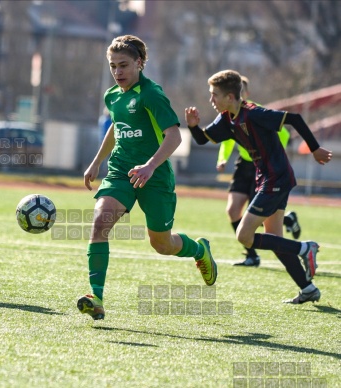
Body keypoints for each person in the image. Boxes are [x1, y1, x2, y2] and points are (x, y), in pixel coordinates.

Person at [78, 35, 217, 321]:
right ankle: (97, 297)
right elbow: (117, 128)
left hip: (155, 177)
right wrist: (96, 162)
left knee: (162, 245)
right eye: (113, 66)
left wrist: (150, 166)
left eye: (124, 65)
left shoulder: (151, 94)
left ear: (139, 64)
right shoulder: (112, 96)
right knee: (99, 224)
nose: (118, 72)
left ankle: (199, 249)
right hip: (120, 172)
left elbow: (174, 136)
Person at [185, 69, 332, 304]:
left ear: (230, 97)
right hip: (268, 178)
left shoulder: (253, 113)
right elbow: (203, 139)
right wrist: (193, 126)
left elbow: (294, 119)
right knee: (274, 238)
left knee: (245, 235)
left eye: (215, 95)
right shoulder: (226, 118)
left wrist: (314, 149)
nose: (211, 100)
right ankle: (308, 288)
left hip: (276, 178)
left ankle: (305, 248)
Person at [216, 75, 301, 267]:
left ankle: (288, 222)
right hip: (242, 166)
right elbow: (228, 138)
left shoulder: (256, 111)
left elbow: (285, 132)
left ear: (246, 93)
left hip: (262, 168)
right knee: (232, 209)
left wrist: (273, 154)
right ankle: (252, 255)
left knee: (256, 216)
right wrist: (222, 159)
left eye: (243, 91)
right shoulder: (230, 115)